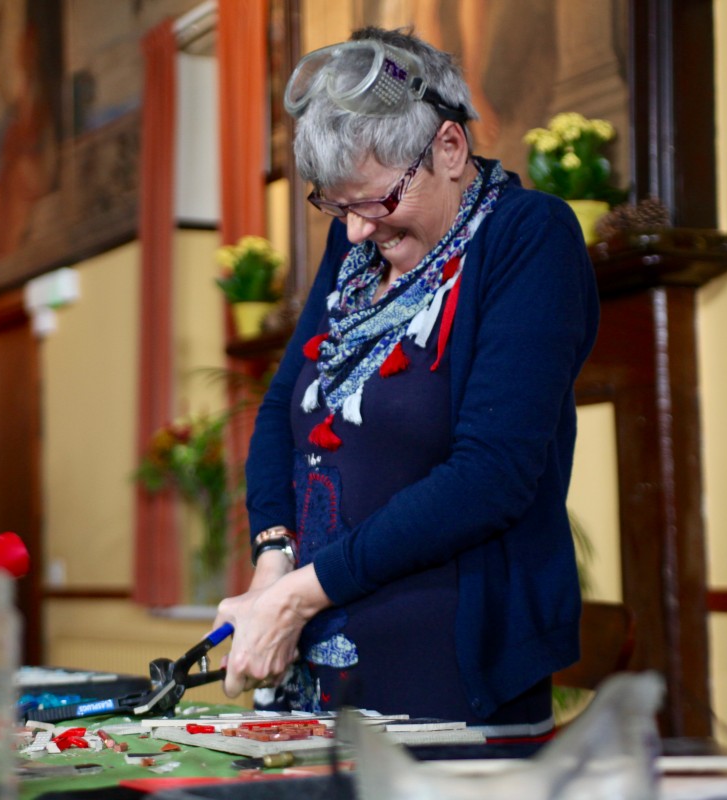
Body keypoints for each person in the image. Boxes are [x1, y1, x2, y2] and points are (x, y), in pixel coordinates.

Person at [214, 26, 600, 739]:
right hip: (320, 668)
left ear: (449, 150)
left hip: (451, 673)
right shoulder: (357, 245)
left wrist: (299, 595)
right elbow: (281, 411)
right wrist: (274, 557)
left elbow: (490, 477)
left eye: (375, 202)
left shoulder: (528, 238)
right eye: (337, 207)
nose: (356, 232)